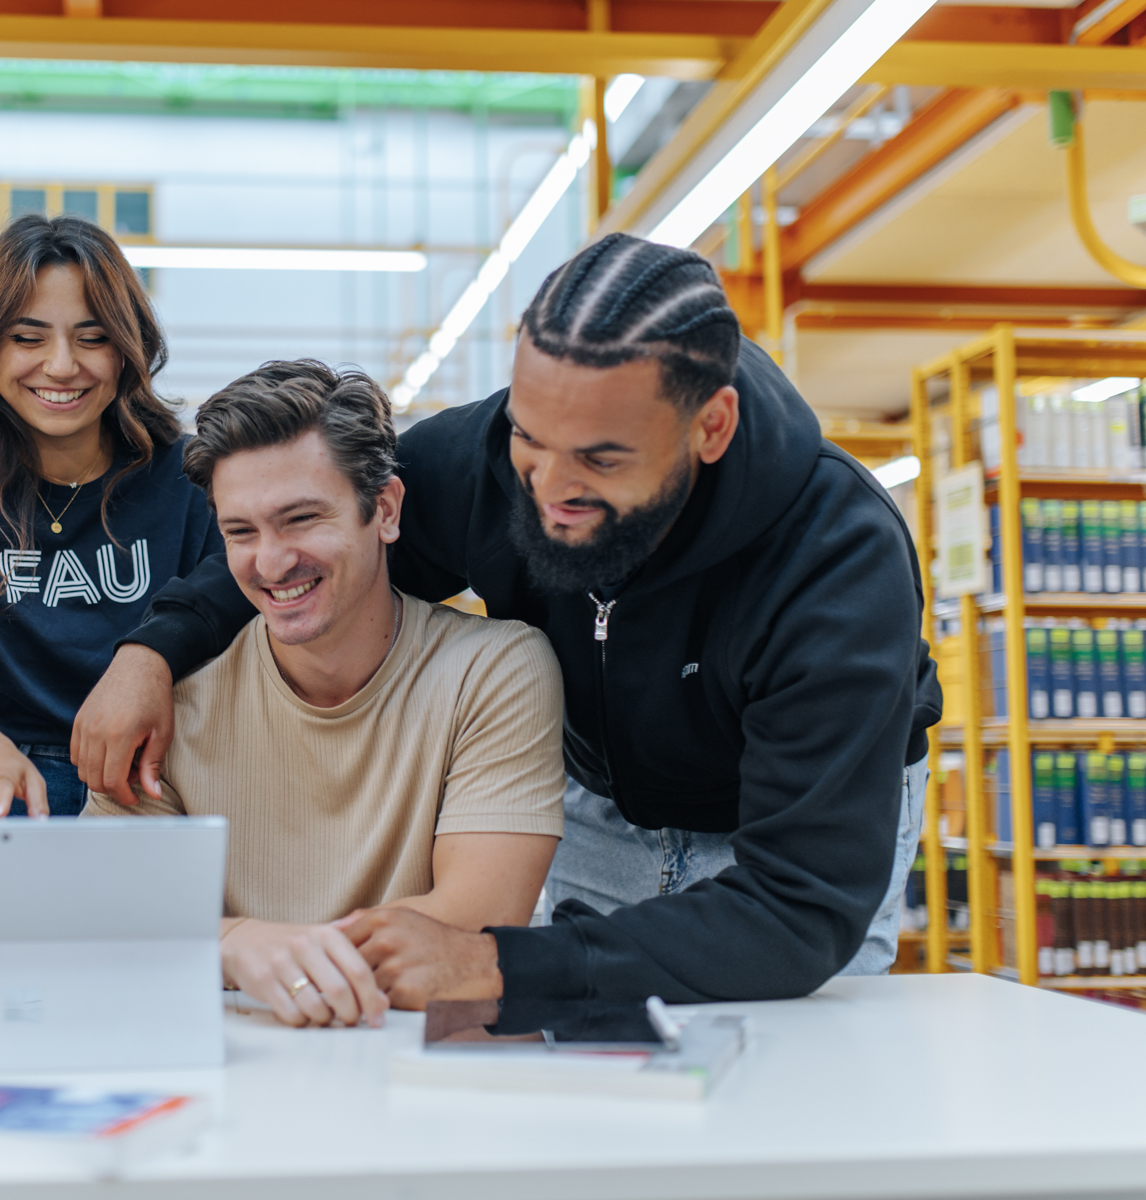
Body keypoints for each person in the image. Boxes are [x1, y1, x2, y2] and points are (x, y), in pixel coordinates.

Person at [74, 234, 942, 1009]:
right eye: (532, 437)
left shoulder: (837, 558)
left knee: (795, 1059)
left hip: (784, 820)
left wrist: (502, 966)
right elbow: (301, 548)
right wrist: (152, 651)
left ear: (709, 426)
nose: (551, 490)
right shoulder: (481, 463)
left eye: (601, 458)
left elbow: (797, 911)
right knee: (594, 1060)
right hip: (601, 804)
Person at [83, 360, 564, 1028]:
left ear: (386, 510)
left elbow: (475, 921)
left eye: (302, 519)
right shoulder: (165, 704)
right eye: (241, 532)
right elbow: (105, 919)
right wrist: (232, 943)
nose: (272, 562)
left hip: (416, 1072)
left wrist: (225, 943)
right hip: (231, 1076)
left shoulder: (494, 671)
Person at [0, 214, 222, 819]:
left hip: (144, 782)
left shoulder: (191, 478)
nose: (62, 366)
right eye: (28, 338)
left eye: (92, 339)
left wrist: (152, 657)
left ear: (128, 349)